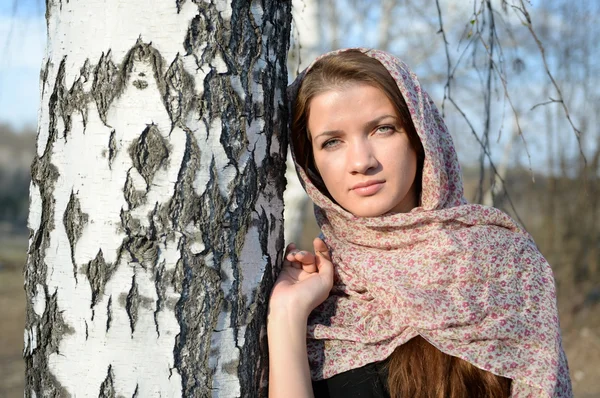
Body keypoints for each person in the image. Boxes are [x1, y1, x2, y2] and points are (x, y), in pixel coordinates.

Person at [267, 48, 572, 398]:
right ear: (311, 163)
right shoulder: (318, 291)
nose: (361, 161)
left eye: (383, 129)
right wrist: (287, 315)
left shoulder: (501, 263)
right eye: (332, 142)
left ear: (420, 135)